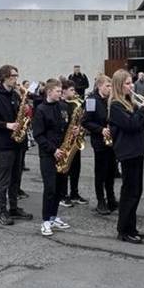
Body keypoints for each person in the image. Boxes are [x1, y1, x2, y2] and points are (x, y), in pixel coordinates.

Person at [0, 64, 33, 226]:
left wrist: (25, 113)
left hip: (18, 141)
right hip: (4, 142)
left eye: (17, 75)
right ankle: (3, 210)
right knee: (4, 178)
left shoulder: (15, 95)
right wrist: (7, 125)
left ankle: (14, 208)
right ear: (4, 77)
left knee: (16, 177)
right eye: (13, 76)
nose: (16, 79)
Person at [109, 69, 144, 244]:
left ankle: (131, 227)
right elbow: (131, 125)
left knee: (137, 191)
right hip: (127, 152)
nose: (131, 85)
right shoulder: (116, 106)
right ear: (119, 85)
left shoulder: (128, 102)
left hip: (137, 150)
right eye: (127, 83)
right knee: (129, 192)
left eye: (131, 82)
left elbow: (140, 126)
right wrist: (142, 110)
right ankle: (123, 230)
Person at [32, 79, 71, 237]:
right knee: (50, 188)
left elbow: (66, 126)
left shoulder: (63, 106)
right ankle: (45, 221)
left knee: (60, 188)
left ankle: (54, 217)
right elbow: (38, 135)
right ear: (49, 92)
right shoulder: (40, 109)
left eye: (61, 91)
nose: (60, 93)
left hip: (63, 152)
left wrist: (72, 131)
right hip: (49, 154)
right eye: (58, 91)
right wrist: (53, 150)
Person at [82, 75, 118, 215]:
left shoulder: (110, 100)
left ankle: (111, 198)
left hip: (112, 141)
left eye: (110, 86)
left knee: (111, 172)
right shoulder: (91, 100)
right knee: (101, 173)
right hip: (100, 141)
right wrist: (101, 129)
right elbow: (85, 122)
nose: (110, 89)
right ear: (99, 86)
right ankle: (100, 201)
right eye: (107, 86)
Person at [57, 79, 88, 207]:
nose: (74, 92)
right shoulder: (59, 104)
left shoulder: (75, 104)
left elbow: (81, 121)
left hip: (74, 140)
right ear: (63, 91)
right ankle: (62, 195)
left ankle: (74, 193)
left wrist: (79, 128)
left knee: (76, 169)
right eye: (71, 90)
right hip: (63, 141)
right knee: (64, 170)